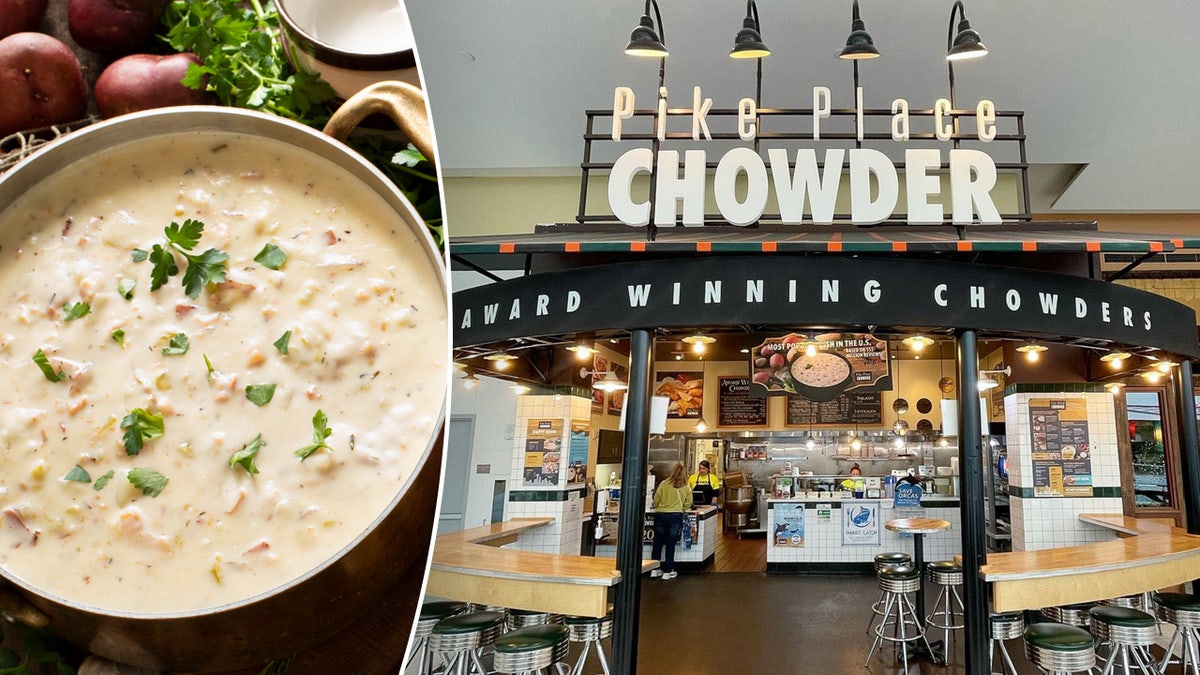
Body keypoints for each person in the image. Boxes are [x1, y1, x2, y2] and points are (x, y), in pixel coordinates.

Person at [650, 462, 691, 580]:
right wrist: (681, 508)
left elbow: (656, 499)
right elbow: (688, 503)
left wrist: (656, 506)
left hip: (661, 515)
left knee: (657, 543)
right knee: (670, 544)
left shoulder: (664, 484)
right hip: (675, 517)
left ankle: (654, 569)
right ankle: (667, 571)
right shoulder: (686, 486)